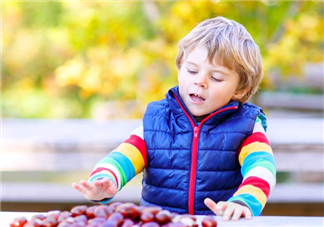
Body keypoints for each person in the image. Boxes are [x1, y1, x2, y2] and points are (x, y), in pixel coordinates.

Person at [72, 16, 276, 221]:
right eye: (192, 70)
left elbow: (262, 167)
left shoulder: (246, 126)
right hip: (161, 223)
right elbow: (124, 157)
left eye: (216, 77)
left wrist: (244, 202)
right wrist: (105, 180)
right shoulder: (157, 120)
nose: (200, 81)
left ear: (240, 89)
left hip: (218, 223)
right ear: (179, 67)